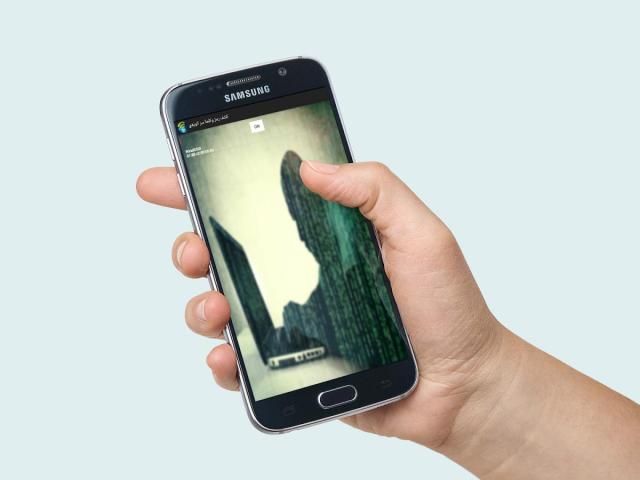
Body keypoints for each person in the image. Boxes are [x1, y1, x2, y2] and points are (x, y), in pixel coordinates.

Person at [137, 160, 640, 478]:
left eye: (309, 212)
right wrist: (476, 395)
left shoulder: (367, 288)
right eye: (298, 217)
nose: (306, 227)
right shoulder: (316, 308)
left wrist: (476, 389)